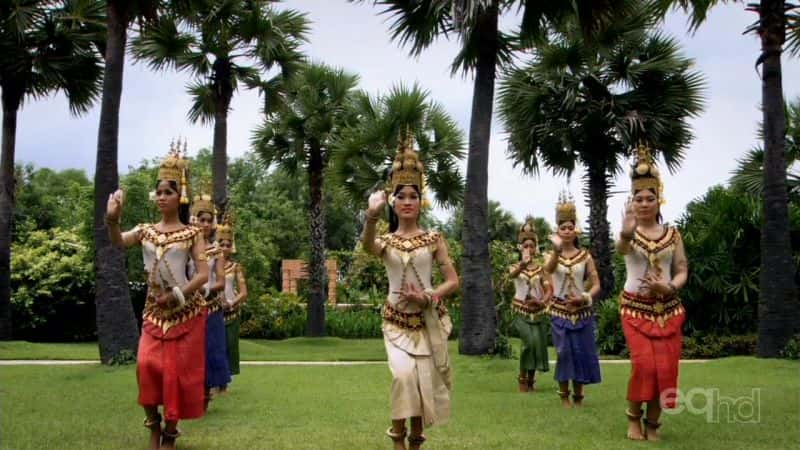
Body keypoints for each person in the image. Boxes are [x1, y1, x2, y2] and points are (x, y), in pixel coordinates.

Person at [106, 143, 208, 450]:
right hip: (153, 312)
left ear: (180, 197)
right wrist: (113, 219)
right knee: (145, 366)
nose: (162, 197)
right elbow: (118, 242)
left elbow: (202, 275)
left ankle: (170, 432)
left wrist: (177, 295)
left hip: (184, 312)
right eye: (159, 192)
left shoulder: (192, 233)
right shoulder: (146, 231)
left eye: (168, 192)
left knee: (175, 374)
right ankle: (153, 425)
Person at [362, 130, 459, 450]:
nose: (407, 202)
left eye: (412, 196)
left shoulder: (433, 238)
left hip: (426, 321)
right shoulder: (386, 241)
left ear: (421, 201)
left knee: (421, 383)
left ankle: (415, 441)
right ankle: (397, 440)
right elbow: (367, 246)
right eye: (401, 196)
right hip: (395, 322)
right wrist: (371, 218)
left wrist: (428, 296)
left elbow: (452, 281)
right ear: (393, 200)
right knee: (403, 377)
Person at [616, 144, 689, 441]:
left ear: (660, 200)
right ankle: (634, 420)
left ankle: (654, 425)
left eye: (649, 198)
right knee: (644, 365)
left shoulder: (673, 234)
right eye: (638, 198)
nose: (644, 203)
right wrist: (625, 231)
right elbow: (621, 249)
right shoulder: (628, 233)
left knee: (665, 369)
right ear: (631, 202)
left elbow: (682, 268)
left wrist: (669, 286)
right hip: (635, 310)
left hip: (668, 310)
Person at [544, 192, 601, 407]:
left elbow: (596, 285)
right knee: (564, 352)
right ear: (557, 231)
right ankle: (564, 395)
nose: (566, 231)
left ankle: (579, 396)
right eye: (562, 227)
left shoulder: (585, 256)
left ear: (575, 229)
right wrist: (557, 251)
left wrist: (585, 297)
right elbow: (547, 270)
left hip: (582, 311)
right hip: (559, 310)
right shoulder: (552, 256)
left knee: (580, 352)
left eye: (570, 227)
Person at [191, 191, 230, 405]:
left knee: (210, 350)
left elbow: (222, 283)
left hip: (211, 307)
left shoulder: (216, 252)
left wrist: (203, 290)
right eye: (200, 219)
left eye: (208, 220)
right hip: (188, 308)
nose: (204, 224)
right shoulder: (185, 248)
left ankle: (206, 393)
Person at [509, 219, 552, 393]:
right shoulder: (515, 266)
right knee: (528, 343)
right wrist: (522, 265)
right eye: (525, 245)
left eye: (531, 245)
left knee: (537, 345)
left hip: (538, 310)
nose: (529, 249)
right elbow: (511, 276)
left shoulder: (542, 269)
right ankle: (522, 377)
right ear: (520, 247)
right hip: (521, 309)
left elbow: (549, 289)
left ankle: (531, 380)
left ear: (536, 247)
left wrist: (542, 302)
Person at [217, 213, 248, 379]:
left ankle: (225, 381)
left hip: (231, 312)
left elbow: (244, 292)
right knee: (215, 347)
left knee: (230, 346)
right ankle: (216, 380)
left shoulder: (235, 267)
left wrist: (231, 303)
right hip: (213, 310)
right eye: (221, 244)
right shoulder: (210, 265)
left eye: (228, 244)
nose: (224, 247)